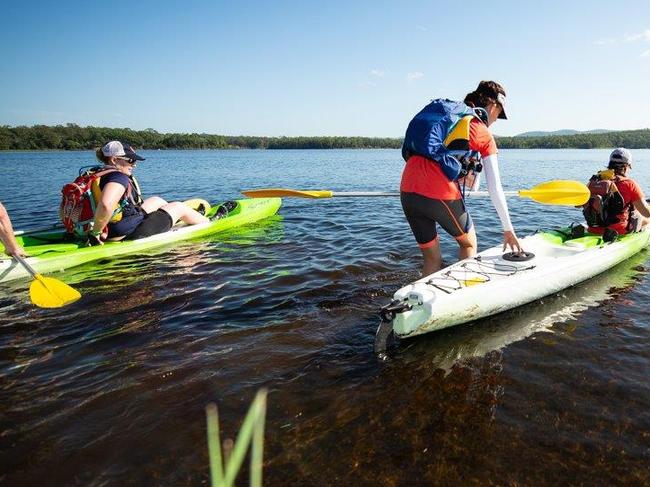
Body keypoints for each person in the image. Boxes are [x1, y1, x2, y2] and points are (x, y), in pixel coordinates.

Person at [400, 80, 523, 276]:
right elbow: (495, 187)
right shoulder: (482, 132)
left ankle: (417, 302)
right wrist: (508, 229)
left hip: (408, 188)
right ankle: (463, 294)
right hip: (437, 190)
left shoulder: (451, 118)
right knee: (468, 243)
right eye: (499, 114)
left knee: (432, 258)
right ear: (493, 106)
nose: (496, 120)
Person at [87, 141, 209, 245]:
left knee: (157, 201)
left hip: (118, 225)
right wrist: (96, 233)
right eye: (130, 160)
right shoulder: (119, 177)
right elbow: (105, 205)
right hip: (122, 233)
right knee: (178, 207)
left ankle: (175, 220)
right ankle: (208, 222)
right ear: (114, 160)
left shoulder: (98, 173)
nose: (134, 164)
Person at [582, 148, 650, 238]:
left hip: (593, 229)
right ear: (626, 167)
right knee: (644, 217)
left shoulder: (594, 181)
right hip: (619, 232)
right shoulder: (629, 184)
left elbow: (580, 204)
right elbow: (646, 213)